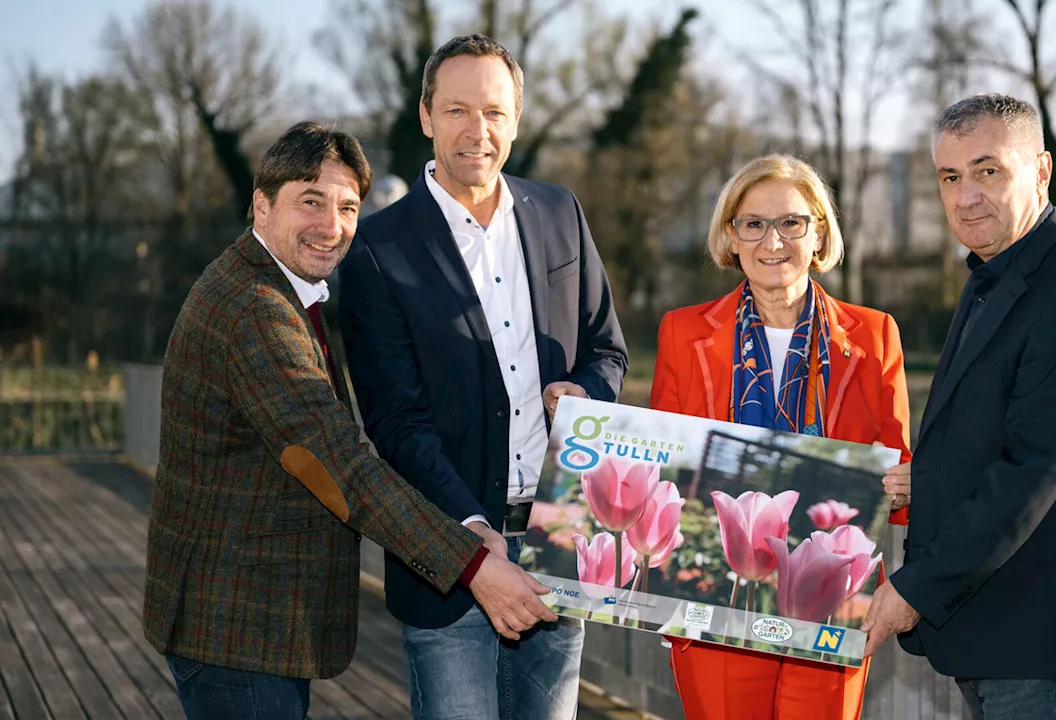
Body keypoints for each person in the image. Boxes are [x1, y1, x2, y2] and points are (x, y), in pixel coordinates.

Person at [143, 121, 557, 720]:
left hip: (248, 622)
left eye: (347, 207)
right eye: (310, 201)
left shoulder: (276, 289)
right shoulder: (254, 311)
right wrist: (473, 565)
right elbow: (342, 466)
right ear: (261, 205)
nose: (331, 226)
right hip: (235, 626)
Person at [337, 35, 627, 720]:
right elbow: (395, 421)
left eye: (495, 112)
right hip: (450, 556)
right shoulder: (379, 248)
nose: (478, 130)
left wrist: (585, 393)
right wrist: (469, 532)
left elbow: (607, 350)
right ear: (426, 116)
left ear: (517, 120)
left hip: (559, 543)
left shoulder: (561, 214)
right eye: (459, 110)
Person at [859, 94, 1056, 720]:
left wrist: (913, 589)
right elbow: (999, 432)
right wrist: (931, 477)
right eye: (950, 177)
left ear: (1041, 171)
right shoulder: (997, 272)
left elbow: (1031, 473)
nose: (967, 196)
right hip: (1004, 630)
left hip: (1046, 636)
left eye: (988, 170)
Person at [649, 153, 912, 720]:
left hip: (830, 596)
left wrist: (910, 484)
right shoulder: (683, 332)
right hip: (718, 598)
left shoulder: (874, 334)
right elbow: (664, 467)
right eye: (755, 223)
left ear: (819, 232)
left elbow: (902, 475)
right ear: (732, 237)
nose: (774, 240)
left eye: (792, 222)